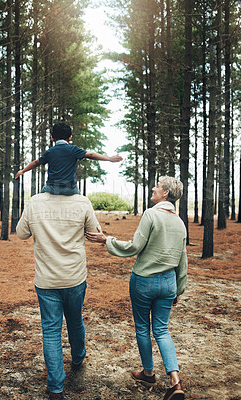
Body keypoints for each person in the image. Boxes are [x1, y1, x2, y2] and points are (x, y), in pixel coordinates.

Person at [86, 176, 188, 400]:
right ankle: (175, 381)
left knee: (143, 327)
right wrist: (179, 288)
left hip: (144, 281)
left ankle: (149, 373)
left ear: (166, 194)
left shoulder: (151, 214)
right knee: (161, 330)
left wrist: (107, 240)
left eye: (158, 187)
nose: (153, 188)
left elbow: (135, 246)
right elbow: (182, 259)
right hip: (169, 282)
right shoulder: (179, 222)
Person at [16, 191, 101, 400]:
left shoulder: (35, 202)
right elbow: (95, 233)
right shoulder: (82, 202)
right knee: (74, 320)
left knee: (51, 330)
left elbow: (21, 233)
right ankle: (78, 358)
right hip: (74, 277)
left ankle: (55, 389)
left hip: (46, 280)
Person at [15, 122, 122, 195]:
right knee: (82, 204)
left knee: (38, 200)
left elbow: (36, 162)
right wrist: (109, 158)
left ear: (52, 138)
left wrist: (23, 170)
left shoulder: (50, 152)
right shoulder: (73, 149)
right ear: (70, 137)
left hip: (52, 188)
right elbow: (91, 155)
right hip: (70, 188)